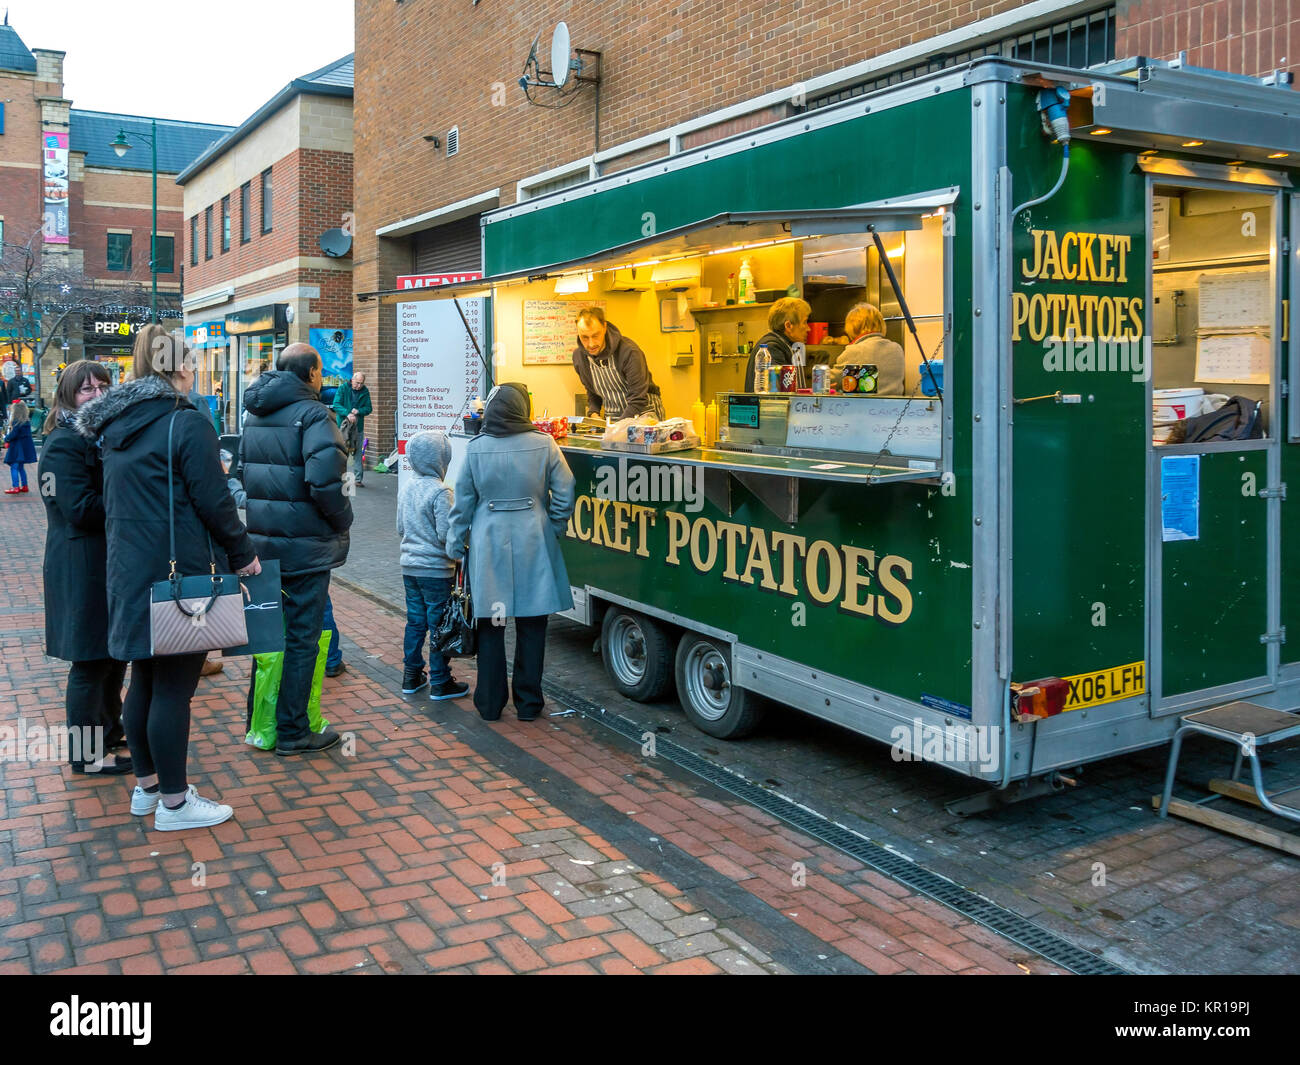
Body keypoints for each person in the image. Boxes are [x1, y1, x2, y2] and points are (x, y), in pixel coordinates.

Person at [75, 325, 260, 831]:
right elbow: (215, 501)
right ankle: (176, 805)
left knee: (145, 682)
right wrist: (243, 554)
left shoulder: (113, 428)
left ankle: (149, 788)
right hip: (182, 579)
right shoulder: (186, 422)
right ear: (179, 365)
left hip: (130, 572)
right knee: (175, 688)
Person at [240, 343, 352, 755]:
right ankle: (293, 730)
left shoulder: (254, 414)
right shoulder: (314, 415)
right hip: (304, 549)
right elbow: (326, 483)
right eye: (320, 369)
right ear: (311, 373)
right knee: (303, 637)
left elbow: (242, 473)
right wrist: (343, 520)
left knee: (269, 637)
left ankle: (261, 720)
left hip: (263, 546)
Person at [447, 383, 576, 722]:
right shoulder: (544, 444)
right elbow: (566, 488)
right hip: (534, 539)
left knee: (491, 625)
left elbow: (462, 502)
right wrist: (555, 525)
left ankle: (489, 704)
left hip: (489, 544)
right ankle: (529, 704)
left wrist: (455, 542)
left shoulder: (475, 449)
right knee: (533, 626)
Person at [38, 360, 130, 774]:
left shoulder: (100, 437)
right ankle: (86, 756)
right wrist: (131, 502)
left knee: (113, 657)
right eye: (85, 389)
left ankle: (110, 732)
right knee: (90, 663)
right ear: (68, 395)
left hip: (105, 563)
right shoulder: (64, 442)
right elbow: (78, 509)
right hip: (81, 566)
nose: (95, 394)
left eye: (102, 386)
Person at [397, 429, 469, 700]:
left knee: (415, 622)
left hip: (409, 567)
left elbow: (400, 527)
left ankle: (411, 676)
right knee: (439, 624)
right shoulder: (441, 492)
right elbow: (445, 535)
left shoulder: (407, 487)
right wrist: (460, 550)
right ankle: (440, 680)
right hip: (436, 571)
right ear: (441, 459)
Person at [572, 307, 665, 421]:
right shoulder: (580, 358)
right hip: (613, 418)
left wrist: (617, 429)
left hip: (644, 416)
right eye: (584, 337)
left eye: (595, 336)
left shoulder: (629, 352)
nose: (591, 344)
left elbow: (638, 399)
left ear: (604, 327)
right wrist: (593, 413)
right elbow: (593, 392)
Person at [835, 302, 907, 395]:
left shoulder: (855, 350)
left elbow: (831, 380)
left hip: (867, 408)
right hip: (896, 407)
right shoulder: (897, 348)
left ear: (852, 327)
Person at [744, 297, 811, 392]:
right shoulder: (771, 348)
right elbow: (778, 392)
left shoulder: (786, 345)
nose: (808, 329)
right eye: (804, 322)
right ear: (788, 326)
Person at [331, 370, 372, 486]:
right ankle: (340, 477)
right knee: (343, 453)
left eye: (361, 383)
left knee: (358, 452)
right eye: (357, 382)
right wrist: (347, 413)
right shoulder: (343, 388)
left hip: (357, 427)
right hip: (343, 427)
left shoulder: (365, 391)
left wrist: (359, 411)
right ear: (352, 380)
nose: (359, 386)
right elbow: (336, 404)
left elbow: (369, 408)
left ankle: (358, 479)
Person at [4, 400, 37, 494]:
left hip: (17, 448)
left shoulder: (16, 422)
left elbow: (13, 434)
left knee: (14, 467)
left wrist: (6, 439)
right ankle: (25, 485)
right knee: (21, 467)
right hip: (24, 448)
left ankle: (15, 487)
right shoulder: (26, 421)